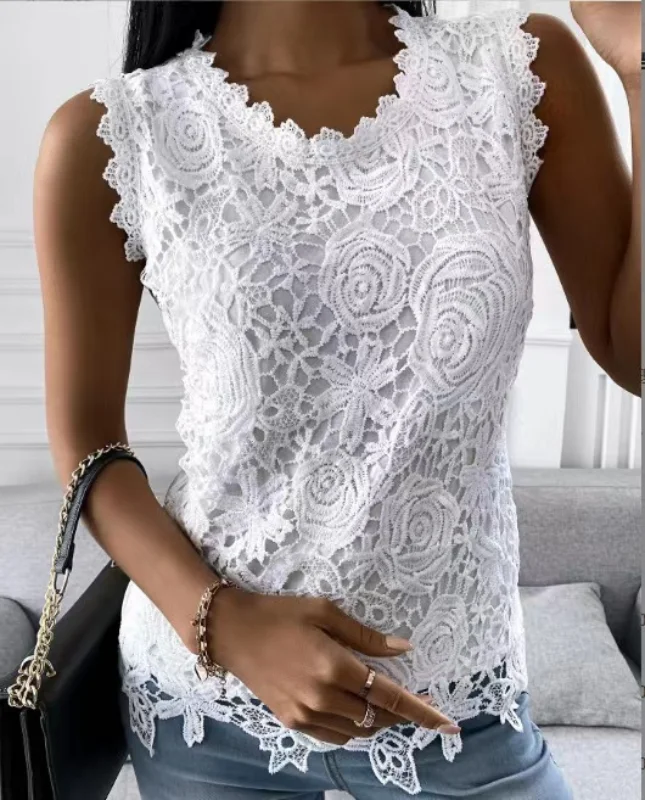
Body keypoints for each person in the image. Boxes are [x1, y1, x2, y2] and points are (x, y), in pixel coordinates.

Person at [34, 0, 640, 797]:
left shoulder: (519, 72)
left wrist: (639, 71)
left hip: (458, 702)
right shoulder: (114, 135)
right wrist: (223, 621)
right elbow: (87, 442)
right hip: (209, 710)